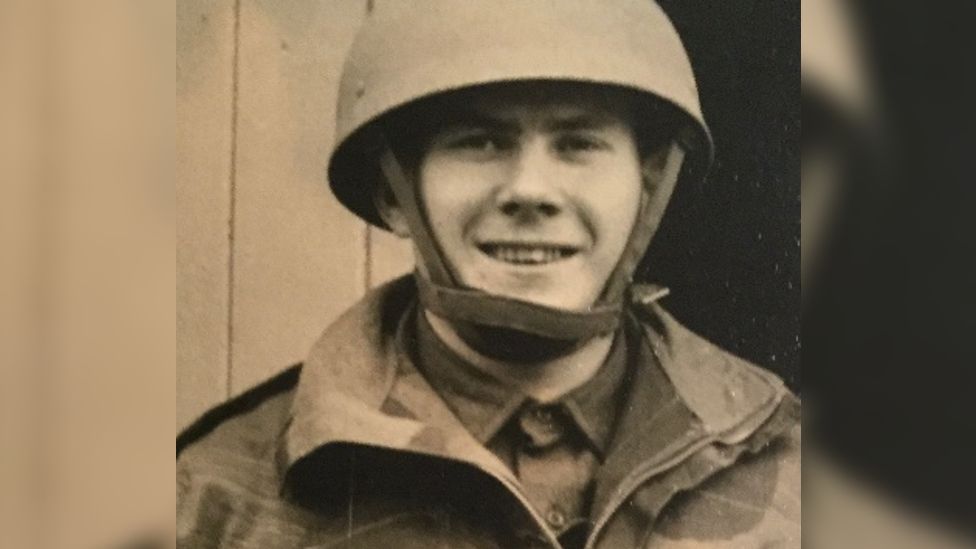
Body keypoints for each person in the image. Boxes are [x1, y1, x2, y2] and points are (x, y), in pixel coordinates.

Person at [177, 1, 800, 547]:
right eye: (480, 141)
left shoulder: (794, 470)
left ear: (648, 185)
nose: (530, 191)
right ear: (395, 195)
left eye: (579, 143)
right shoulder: (217, 495)